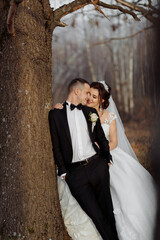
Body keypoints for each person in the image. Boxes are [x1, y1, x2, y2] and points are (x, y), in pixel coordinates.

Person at [54, 80, 157, 240]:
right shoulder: (79, 111)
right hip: (79, 169)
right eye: (88, 95)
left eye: (94, 96)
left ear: (102, 100)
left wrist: (104, 154)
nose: (89, 98)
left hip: (102, 160)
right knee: (94, 211)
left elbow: (112, 141)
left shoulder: (106, 116)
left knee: (114, 201)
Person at [48, 78, 119, 240]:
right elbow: (56, 146)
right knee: (96, 216)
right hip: (75, 175)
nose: (88, 97)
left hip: (97, 167)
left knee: (107, 211)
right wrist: (64, 172)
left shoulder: (90, 112)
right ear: (76, 91)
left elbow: (101, 138)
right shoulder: (55, 115)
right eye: (87, 92)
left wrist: (106, 159)